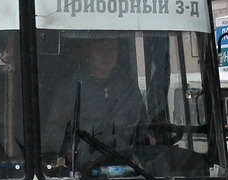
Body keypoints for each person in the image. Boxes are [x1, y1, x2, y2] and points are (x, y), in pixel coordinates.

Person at [44, 36, 151, 172]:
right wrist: (67, 151)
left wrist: (147, 140)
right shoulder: (69, 88)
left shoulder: (129, 88)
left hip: (125, 163)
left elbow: (143, 125)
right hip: (81, 166)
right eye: (100, 49)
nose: (107, 55)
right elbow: (54, 129)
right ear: (88, 52)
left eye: (112, 49)